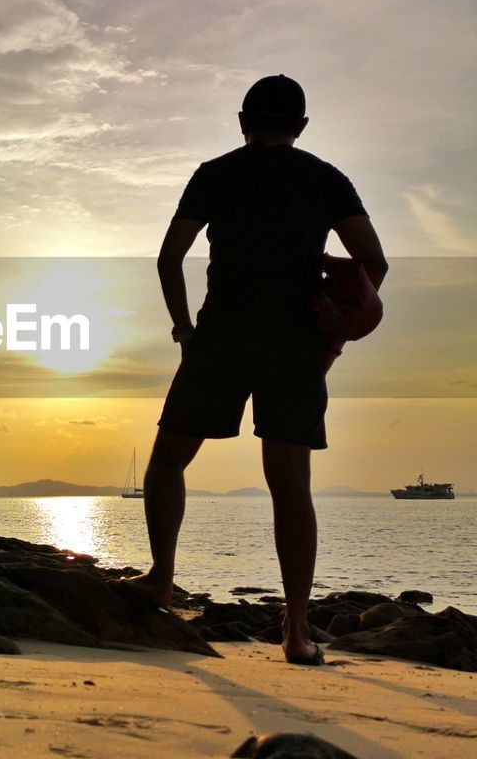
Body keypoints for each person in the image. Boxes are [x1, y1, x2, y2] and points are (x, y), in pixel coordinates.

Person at [133, 75, 388, 664]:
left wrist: (185, 332)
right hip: (298, 346)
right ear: (299, 128)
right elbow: (372, 262)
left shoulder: (215, 173)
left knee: (169, 459)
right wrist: (334, 341)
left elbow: (169, 257)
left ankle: (161, 579)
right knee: (290, 484)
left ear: (243, 120)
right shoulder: (327, 178)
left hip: (222, 336)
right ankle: (296, 631)